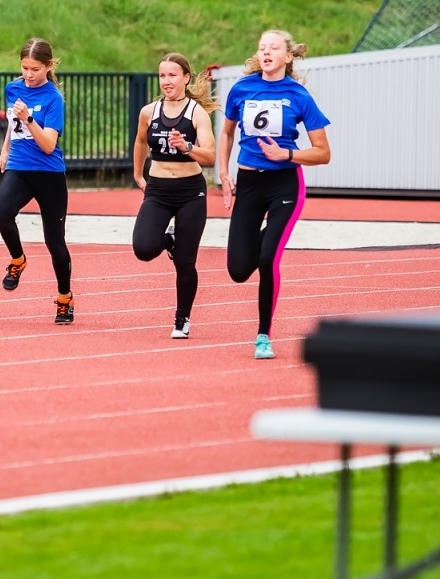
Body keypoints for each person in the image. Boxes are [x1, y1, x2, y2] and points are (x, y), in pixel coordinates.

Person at [217, 29, 332, 360]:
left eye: (274, 48)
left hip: (284, 184)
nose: (266, 52)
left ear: (288, 56)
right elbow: (226, 133)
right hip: (249, 183)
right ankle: (266, 241)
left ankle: (263, 335)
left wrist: (288, 155)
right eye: (262, 47)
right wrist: (223, 173)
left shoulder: (299, 96)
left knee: (267, 259)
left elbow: (323, 152)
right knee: (239, 270)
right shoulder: (241, 89)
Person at [132, 53, 217, 339]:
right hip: (157, 190)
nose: (166, 81)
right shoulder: (149, 111)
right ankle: (168, 239)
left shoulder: (196, 113)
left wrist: (187, 146)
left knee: (185, 261)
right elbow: (141, 141)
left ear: (185, 78)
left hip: (190, 192)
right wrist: (138, 175)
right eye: (162, 76)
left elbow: (210, 155)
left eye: (172, 75)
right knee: (143, 248)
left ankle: (182, 318)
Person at [0, 38, 74, 324]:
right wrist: (5, 150)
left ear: (49, 66)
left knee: (55, 242)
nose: (29, 74)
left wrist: (30, 119)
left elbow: (49, 145)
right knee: (2, 213)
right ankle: (18, 260)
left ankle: (65, 298)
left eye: (35, 69)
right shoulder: (12, 88)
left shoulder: (53, 98)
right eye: (25, 68)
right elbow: (11, 122)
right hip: (19, 167)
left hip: (49, 173)